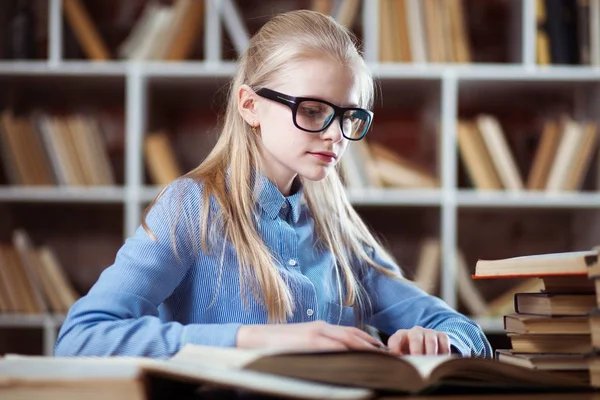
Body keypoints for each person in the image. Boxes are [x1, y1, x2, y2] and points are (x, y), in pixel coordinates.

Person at [55, 9, 492, 359]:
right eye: (314, 110)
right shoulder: (192, 208)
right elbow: (81, 339)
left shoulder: (338, 230)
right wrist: (257, 339)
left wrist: (438, 342)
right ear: (250, 106)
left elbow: (467, 332)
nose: (336, 134)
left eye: (349, 116)